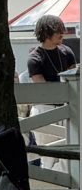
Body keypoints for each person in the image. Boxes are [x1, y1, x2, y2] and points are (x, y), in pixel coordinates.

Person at [27, 14, 77, 170]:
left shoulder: (67, 52)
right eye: (58, 30)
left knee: (69, 152)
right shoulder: (35, 58)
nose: (62, 33)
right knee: (48, 155)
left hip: (67, 107)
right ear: (47, 33)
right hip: (45, 109)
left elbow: (75, 79)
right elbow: (43, 88)